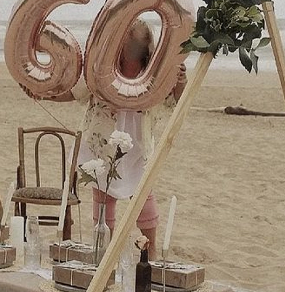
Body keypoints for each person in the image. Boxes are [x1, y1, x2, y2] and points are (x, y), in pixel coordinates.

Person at [24, 19, 186, 260]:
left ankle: (150, 252)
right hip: (103, 142)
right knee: (103, 197)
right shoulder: (102, 68)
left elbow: (173, 101)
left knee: (143, 196)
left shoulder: (153, 73)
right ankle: (104, 253)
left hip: (137, 143)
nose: (130, 54)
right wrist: (43, 94)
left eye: (136, 49)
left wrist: (180, 81)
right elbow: (75, 92)